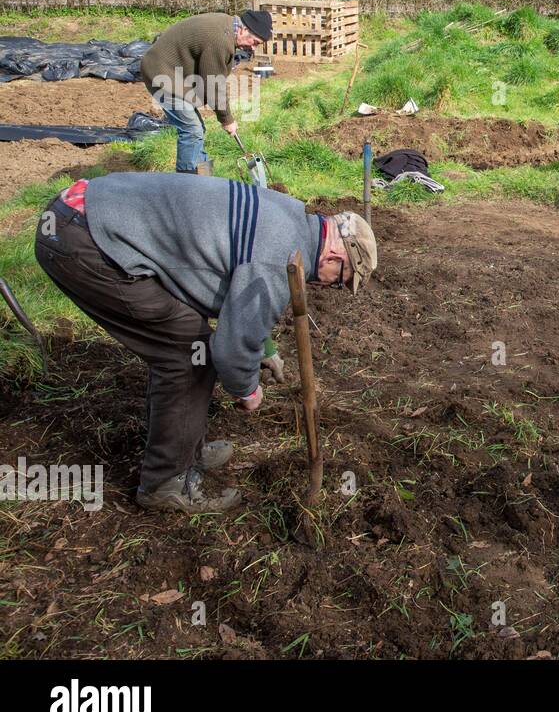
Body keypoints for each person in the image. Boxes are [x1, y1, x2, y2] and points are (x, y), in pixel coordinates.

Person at [34, 172, 378, 511]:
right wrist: (247, 390)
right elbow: (229, 350)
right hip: (84, 240)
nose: (329, 286)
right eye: (339, 280)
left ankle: (188, 449)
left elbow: (237, 286)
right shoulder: (279, 258)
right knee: (188, 352)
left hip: (85, 212)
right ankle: (164, 483)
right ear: (334, 256)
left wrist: (264, 348)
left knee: (189, 339)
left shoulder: (290, 217)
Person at [139, 10, 273, 175]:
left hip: (176, 74)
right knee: (192, 130)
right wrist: (227, 119)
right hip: (160, 73)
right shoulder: (220, 39)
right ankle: (186, 184)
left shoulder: (227, 27)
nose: (252, 48)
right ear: (244, 30)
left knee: (198, 130)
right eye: (255, 42)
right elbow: (213, 85)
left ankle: (205, 178)